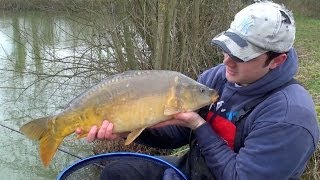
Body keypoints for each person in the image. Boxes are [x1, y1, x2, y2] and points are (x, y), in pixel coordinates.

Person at [76, 1, 319, 179]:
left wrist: (199, 126)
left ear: (277, 60)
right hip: (190, 170)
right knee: (117, 173)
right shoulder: (218, 77)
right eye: (227, 49)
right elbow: (175, 137)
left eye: (241, 56)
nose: (226, 62)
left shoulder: (289, 117)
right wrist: (124, 128)